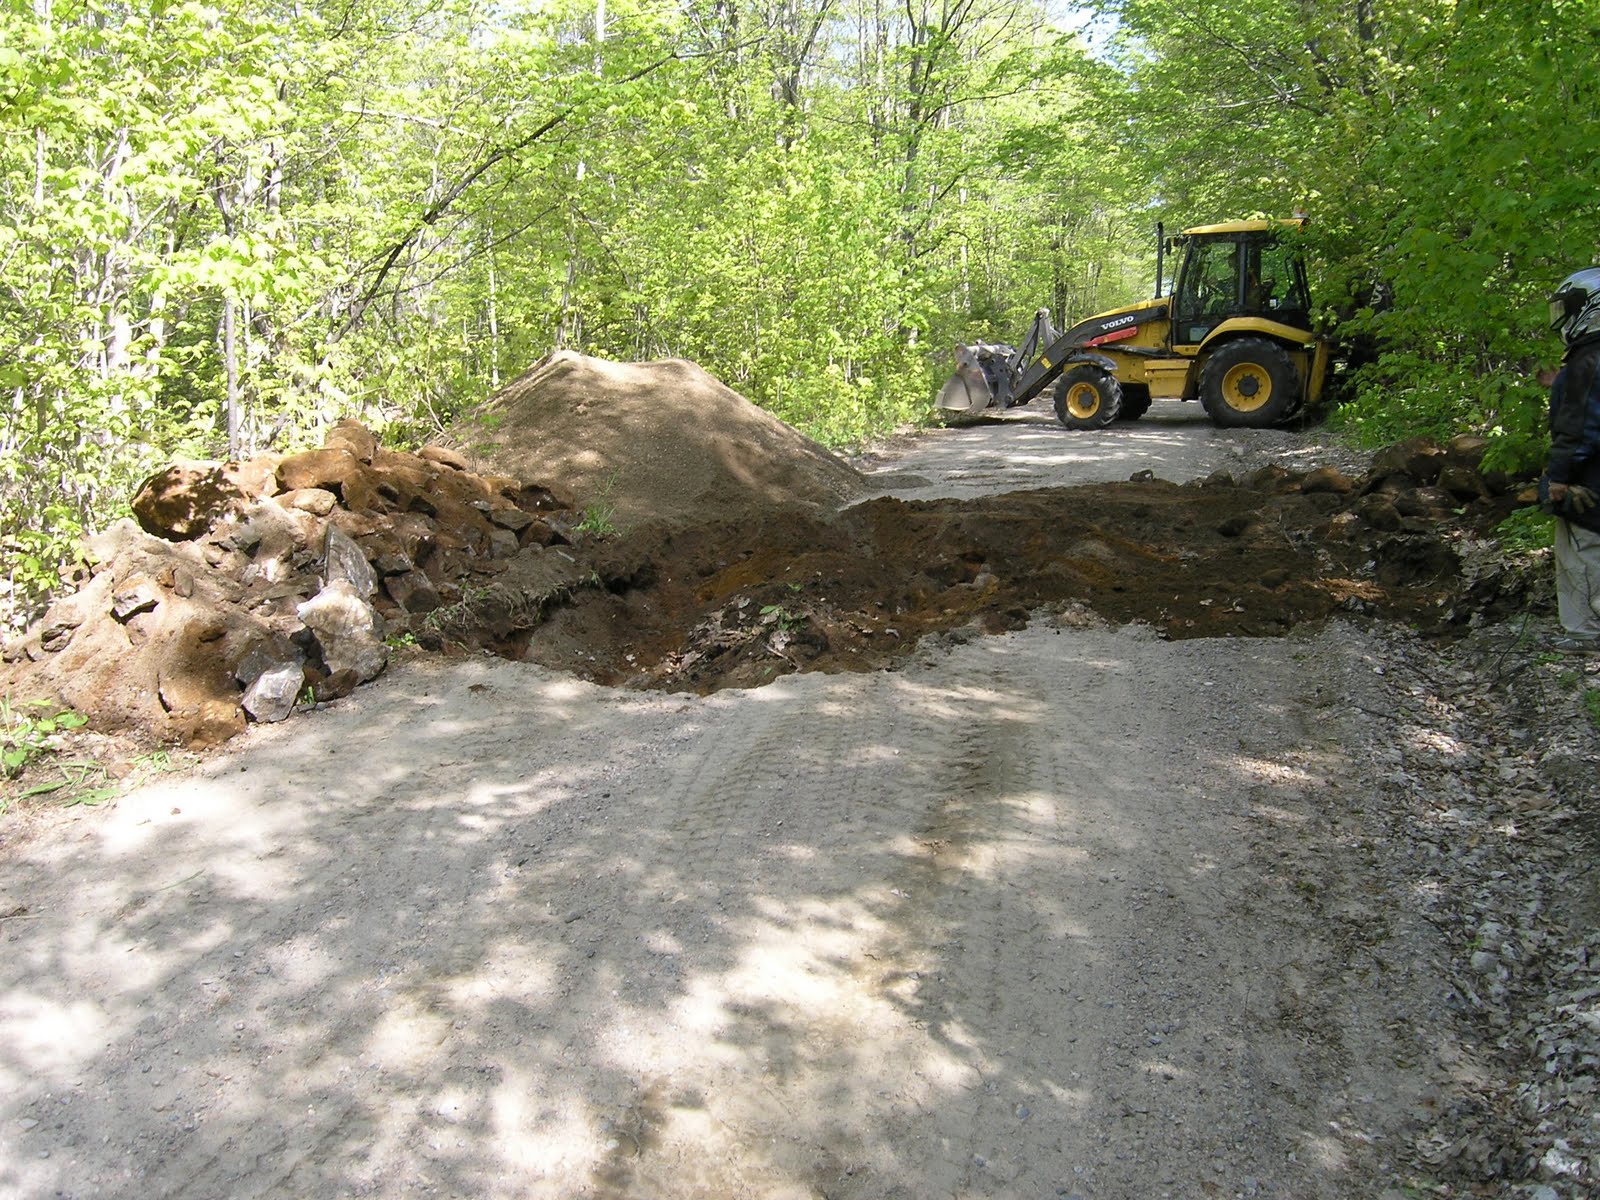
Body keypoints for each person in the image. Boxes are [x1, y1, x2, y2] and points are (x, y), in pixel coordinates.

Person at [1540, 267, 1600, 650]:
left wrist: (1558, 477)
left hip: (1588, 479)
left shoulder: (1587, 363)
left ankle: (1586, 633)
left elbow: (1579, 428)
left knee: (1582, 551)